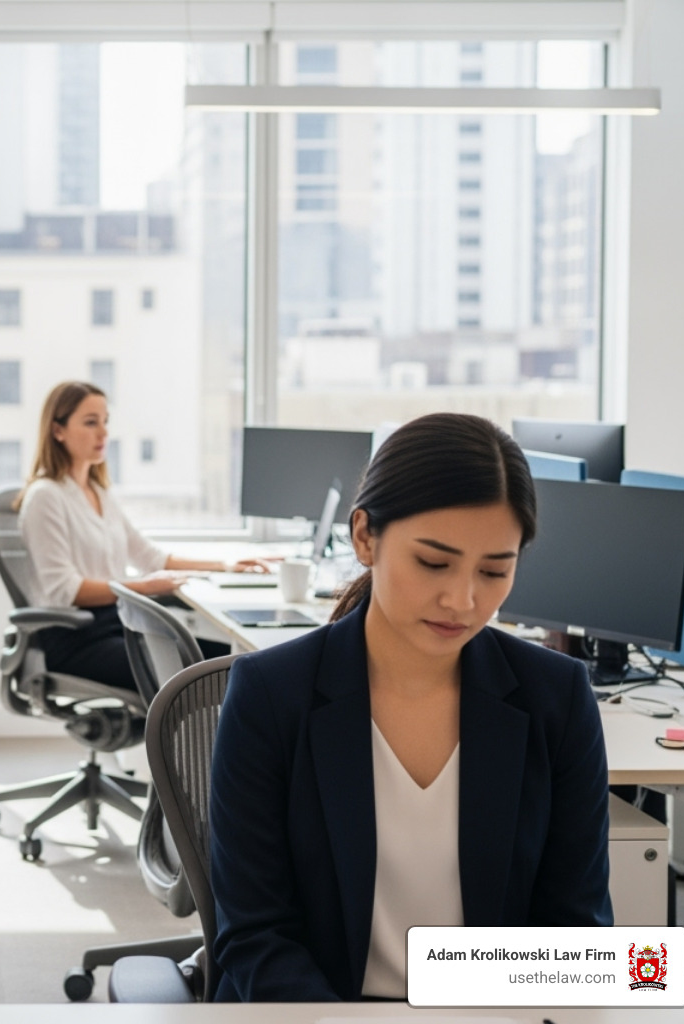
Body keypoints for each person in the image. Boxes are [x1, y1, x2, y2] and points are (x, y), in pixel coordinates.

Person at [208, 412, 611, 1002]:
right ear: (365, 537)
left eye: (495, 570)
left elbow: (575, 932)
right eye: (433, 562)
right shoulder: (271, 694)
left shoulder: (558, 700)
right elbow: (255, 935)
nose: (464, 599)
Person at [16, 380, 268, 692]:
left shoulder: (97, 492)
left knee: (237, 660)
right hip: (77, 639)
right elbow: (65, 590)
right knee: (214, 673)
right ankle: (204, 741)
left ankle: (218, 740)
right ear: (58, 430)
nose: (104, 433)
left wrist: (227, 565)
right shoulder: (45, 496)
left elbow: (151, 558)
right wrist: (142, 587)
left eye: (105, 422)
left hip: (119, 625)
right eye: (91, 422)